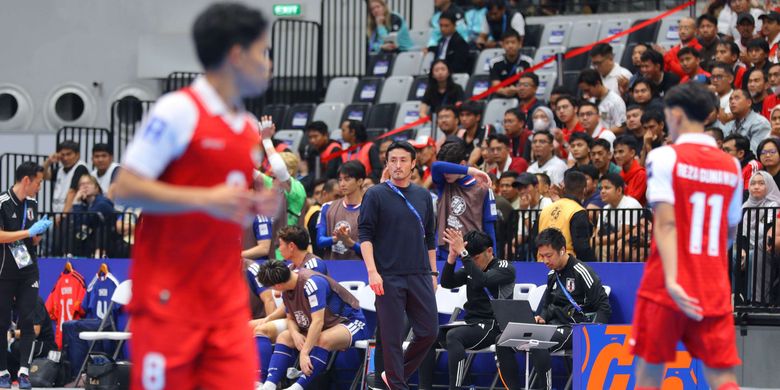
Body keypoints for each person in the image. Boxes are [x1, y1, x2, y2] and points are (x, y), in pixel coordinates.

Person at [112, 4, 275, 388]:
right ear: (236, 55)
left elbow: (221, 199)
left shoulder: (247, 128)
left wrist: (253, 201)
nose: (268, 64)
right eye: (262, 53)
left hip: (224, 300)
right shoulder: (178, 110)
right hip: (170, 298)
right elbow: (123, 189)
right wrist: (203, 199)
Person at [631, 82, 742, 390]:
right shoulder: (732, 165)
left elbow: (665, 224)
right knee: (723, 377)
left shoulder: (664, 157)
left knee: (649, 376)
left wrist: (672, 278)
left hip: (666, 283)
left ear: (676, 115)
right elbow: (730, 230)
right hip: (713, 284)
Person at [358, 141, 438, 389]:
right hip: (388, 276)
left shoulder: (424, 195)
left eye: (404, 160)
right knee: (391, 338)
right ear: (387, 164)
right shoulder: (375, 194)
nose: (398, 165)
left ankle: (395, 374)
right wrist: (372, 272)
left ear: (414, 164)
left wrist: (434, 273)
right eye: (393, 160)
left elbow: (430, 239)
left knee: (429, 332)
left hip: (420, 273)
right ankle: (396, 383)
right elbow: (365, 236)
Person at [497, 228, 610, 389]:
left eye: (548, 256)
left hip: (575, 329)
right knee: (502, 340)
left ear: (562, 250)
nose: (545, 261)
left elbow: (604, 306)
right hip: (553, 326)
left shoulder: (581, 271)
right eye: (541, 256)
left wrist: (594, 337)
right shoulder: (552, 274)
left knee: (537, 341)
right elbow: (547, 305)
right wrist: (541, 317)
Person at [419, 229, 515, 390]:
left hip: (494, 326)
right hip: (473, 323)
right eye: (471, 258)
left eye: (476, 258)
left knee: (454, 336)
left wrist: (464, 254)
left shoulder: (504, 267)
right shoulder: (471, 266)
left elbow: (482, 280)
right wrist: (451, 257)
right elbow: (448, 282)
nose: (473, 262)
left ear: (489, 251)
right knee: (428, 335)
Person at [257, 261, 368, 390]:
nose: (274, 293)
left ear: (278, 285)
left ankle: (297, 387)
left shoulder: (312, 283)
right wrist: (295, 334)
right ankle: (269, 385)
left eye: (272, 288)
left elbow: (318, 322)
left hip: (351, 322)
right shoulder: (287, 286)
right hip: (325, 326)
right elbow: (291, 318)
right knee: (284, 337)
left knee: (322, 339)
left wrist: (304, 352)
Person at [254, 226, 328, 382]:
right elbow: (289, 305)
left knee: (262, 329)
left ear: (291, 246)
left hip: (313, 319)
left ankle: (260, 380)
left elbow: (308, 305)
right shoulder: (289, 268)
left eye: (280, 244)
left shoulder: (314, 265)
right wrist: (270, 317)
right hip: (296, 318)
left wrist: (270, 320)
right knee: (250, 326)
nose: (279, 249)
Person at [0, 162, 51, 389]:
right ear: (27, 180)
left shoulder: (32, 203)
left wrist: (38, 233)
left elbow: (32, 239)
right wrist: (28, 232)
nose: (40, 186)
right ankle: (2, 371)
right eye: (39, 182)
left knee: (28, 318)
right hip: (5, 271)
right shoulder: (2, 202)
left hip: (28, 269)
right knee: (1, 323)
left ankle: (23, 373)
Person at [431, 140, 496, 263]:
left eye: (449, 169)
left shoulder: (482, 187)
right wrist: (471, 170)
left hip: (473, 254)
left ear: (462, 164)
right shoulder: (443, 184)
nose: (445, 173)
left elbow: (489, 227)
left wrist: (493, 259)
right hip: (443, 253)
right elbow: (436, 166)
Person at [739, 171, 780, 304]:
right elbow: (742, 234)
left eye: (761, 183)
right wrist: (742, 250)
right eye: (753, 183)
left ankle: (758, 300)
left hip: (768, 248)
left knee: (756, 253)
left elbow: (771, 232)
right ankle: (737, 298)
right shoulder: (745, 207)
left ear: (769, 186)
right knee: (734, 256)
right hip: (750, 247)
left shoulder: (774, 206)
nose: (756, 187)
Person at [537, 170, 596, 261]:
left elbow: (534, 241)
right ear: (584, 190)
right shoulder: (577, 211)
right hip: (566, 264)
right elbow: (581, 247)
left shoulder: (546, 210)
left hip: (542, 262)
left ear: (564, 189)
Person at [317, 161, 365, 260]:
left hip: (360, 269)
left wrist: (349, 242)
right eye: (340, 180)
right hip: (332, 268)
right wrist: (335, 238)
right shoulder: (327, 207)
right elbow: (319, 241)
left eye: (347, 179)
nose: (342, 184)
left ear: (360, 181)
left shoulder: (369, 210)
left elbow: (372, 250)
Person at [5, 297, 57, 384]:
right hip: (20, 341)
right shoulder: (10, 303)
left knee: (17, 346)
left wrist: (11, 334)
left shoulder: (34, 301)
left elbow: (35, 331)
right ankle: (11, 377)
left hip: (44, 344)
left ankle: (23, 376)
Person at [593, 173, 643, 260]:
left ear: (619, 190)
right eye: (601, 188)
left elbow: (624, 232)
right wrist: (594, 240)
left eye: (607, 188)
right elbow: (597, 232)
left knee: (603, 249)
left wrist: (598, 241)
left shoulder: (631, 204)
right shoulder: (605, 209)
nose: (602, 191)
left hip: (631, 242)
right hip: (611, 242)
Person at [71, 174, 118, 258]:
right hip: (92, 241)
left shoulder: (102, 203)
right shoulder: (85, 205)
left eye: (88, 183)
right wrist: (77, 202)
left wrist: (76, 203)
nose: (85, 186)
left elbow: (85, 220)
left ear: (96, 188)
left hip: (111, 240)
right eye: (82, 184)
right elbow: (77, 223)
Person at [44, 140, 89, 213]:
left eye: (68, 154)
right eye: (63, 155)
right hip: (59, 213)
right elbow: (44, 176)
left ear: (77, 155)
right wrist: (48, 161)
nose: (65, 158)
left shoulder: (80, 168)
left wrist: (64, 215)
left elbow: (72, 192)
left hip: (72, 215)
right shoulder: (60, 170)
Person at [578, 69, 626, 134]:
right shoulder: (590, 100)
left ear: (597, 84)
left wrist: (602, 134)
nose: (586, 94)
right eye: (584, 91)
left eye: (588, 90)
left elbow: (622, 127)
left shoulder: (615, 101)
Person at [489, 30, 532, 98]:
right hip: (501, 96)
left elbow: (530, 84)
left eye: (513, 42)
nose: (510, 46)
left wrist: (516, 90)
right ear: (502, 45)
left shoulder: (528, 62)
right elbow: (496, 86)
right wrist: (505, 91)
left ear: (520, 44)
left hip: (522, 96)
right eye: (507, 43)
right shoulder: (495, 63)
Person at [428, 10, 471, 74]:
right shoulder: (440, 41)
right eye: (441, 26)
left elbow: (458, 66)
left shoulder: (460, 43)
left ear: (454, 25)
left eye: (446, 26)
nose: (443, 29)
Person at [613, 135, 647, 205]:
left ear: (632, 153)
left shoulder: (641, 174)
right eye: (615, 152)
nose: (617, 156)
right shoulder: (619, 174)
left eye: (621, 152)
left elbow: (631, 202)